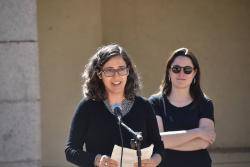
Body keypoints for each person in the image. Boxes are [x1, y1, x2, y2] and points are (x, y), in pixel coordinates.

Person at [65, 44, 164, 167]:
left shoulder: (143, 106)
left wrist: (154, 161)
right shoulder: (88, 107)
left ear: (128, 71)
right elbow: (71, 151)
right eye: (109, 70)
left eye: (121, 69)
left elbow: (159, 147)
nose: (116, 76)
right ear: (99, 74)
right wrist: (96, 160)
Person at [149, 48, 216, 167]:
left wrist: (169, 141)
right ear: (169, 71)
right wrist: (197, 132)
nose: (181, 74)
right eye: (176, 69)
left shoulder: (205, 103)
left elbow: (204, 142)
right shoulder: (155, 103)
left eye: (187, 70)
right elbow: (157, 140)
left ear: (194, 73)